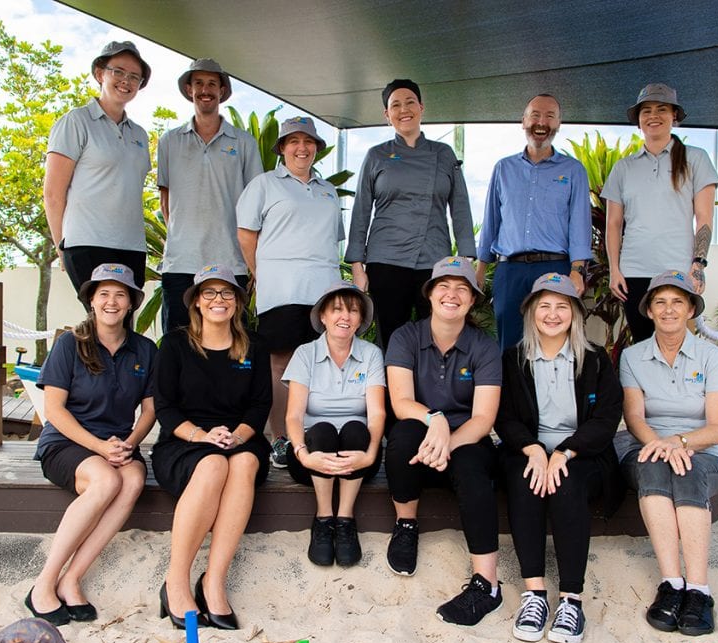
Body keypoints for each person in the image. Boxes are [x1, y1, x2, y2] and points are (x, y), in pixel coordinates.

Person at [496, 273, 624, 643]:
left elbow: (606, 418)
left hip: (583, 453)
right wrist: (534, 449)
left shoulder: (596, 359)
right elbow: (504, 417)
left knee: (566, 485)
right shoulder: (513, 358)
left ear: (575, 314)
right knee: (526, 480)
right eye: (545, 306)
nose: (552, 315)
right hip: (528, 449)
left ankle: (571, 599)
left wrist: (566, 452)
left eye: (562, 307)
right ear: (532, 312)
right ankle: (534, 594)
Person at [27, 263, 156, 625]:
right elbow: (53, 409)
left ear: (131, 303)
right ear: (92, 301)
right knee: (106, 481)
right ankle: (44, 583)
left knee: (131, 480)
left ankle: (72, 578)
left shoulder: (145, 349)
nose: (111, 302)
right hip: (68, 441)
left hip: (118, 443)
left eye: (120, 294)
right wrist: (100, 447)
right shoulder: (71, 343)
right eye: (104, 294)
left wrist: (129, 443)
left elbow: (149, 410)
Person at [151, 264, 272, 630]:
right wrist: (202, 436)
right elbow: (164, 407)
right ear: (197, 303)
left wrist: (236, 436)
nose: (218, 299)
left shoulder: (253, 345)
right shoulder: (174, 344)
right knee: (214, 464)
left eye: (227, 293)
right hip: (184, 442)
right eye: (210, 293)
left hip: (239, 439)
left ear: (237, 302)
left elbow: (260, 405)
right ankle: (176, 581)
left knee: (244, 464)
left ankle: (213, 581)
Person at [384, 257, 502, 626]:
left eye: (462, 289)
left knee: (473, 468)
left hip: (464, 439)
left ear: (472, 300)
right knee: (402, 437)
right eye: (444, 287)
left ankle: (487, 583)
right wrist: (433, 421)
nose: (452, 295)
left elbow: (483, 418)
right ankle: (406, 525)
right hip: (421, 434)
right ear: (431, 294)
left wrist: (446, 443)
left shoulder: (484, 347)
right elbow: (401, 402)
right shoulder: (406, 337)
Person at [615, 271, 718, 636]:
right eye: (660, 302)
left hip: (702, 452)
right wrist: (659, 445)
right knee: (651, 469)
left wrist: (679, 443)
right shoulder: (633, 356)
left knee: (687, 471)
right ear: (648, 311)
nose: (669, 310)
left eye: (677, 302)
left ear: (690, 310)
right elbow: (634, 417)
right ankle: (671, 584)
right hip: (648, 445)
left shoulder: (712, 356)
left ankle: (699, 590)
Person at [237, 116, 342, 469]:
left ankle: (313, 431)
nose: (302, 147)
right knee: (280, 364)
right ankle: (281, 437)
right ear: (281, 148)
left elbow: (332, 241)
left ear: (316, 148)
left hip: (324, 293)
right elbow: (246, 236)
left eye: (308, 141)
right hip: (281, 290)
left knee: (319, 364)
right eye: (293, 141)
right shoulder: (263, 185)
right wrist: (261, 274)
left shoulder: (328, 190)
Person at [346, 78, 475, 350]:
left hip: (434, 261)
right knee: (391, 339)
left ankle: (433, 393)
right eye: (395, 105)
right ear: (387, 114)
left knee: (437, 339)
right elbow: (361, 212)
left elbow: (460, 206)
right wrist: (358, 266)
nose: (403, 109)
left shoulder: (444, 154)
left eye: (409, 102)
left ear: (421, 107)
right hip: (386, 261)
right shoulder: (377, 155)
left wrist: (465, 259)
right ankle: (392, 395)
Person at [602, 83, 718, 343]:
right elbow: (613, 223)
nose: (653, 116)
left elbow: (704, 218)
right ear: (639, 120)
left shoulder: (696, 159)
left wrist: (698, 265)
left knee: (676, 347)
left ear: (674, 116)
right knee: (643, 348)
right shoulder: (623, 168)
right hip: (633, 272)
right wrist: (614, 270)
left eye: (661, 109)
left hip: (678, 270)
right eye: (646, 111)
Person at [476, 94, 593, 351]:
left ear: (559, 124)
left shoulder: (574, 170)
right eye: (536, 115)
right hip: (510, 271)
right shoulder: (503, 168)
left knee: (553, 343)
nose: (542, 122)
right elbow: (491, 221)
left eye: (550, 116)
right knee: (509, 344)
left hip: (555, 267)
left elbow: (580, 224)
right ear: (523, 121)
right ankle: (510, 393)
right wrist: (481, 270)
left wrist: (577, 270)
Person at [283, 282, 385, 567]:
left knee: (356, 427)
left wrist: (372, 453)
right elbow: (293, 416)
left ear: (361, 319)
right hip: (311, 455)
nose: (345, 317)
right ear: (323, 317)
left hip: (360, 456)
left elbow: (376, 414)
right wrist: (303, 453)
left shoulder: (371, 354)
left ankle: (345, 519)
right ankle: (324, 518)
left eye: (353, 310)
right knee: (322, 430)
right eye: (337, 309)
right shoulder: (305, 354)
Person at [157, 58, 263, 332]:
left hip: (231, 263)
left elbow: (256, 205)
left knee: (231, 345)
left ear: (222, 91)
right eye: (199, 83)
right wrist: (182, 237)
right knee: (177, 343)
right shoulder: (169, 141)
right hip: (181, 263)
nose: (206, 90)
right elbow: (165, 199)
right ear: (189, 89)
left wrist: (253, 263)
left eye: (212, 84)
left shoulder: (244, 142)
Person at [44, 41, 152, 296]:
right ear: (100, 73)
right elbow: (53, 193)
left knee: (124, 327)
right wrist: (62, 246)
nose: (126, 80)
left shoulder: (140, 135)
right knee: (101, 322)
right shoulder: (76, 121)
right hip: (86, 242)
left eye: (134, 76)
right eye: (118, 71)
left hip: (132, 246)